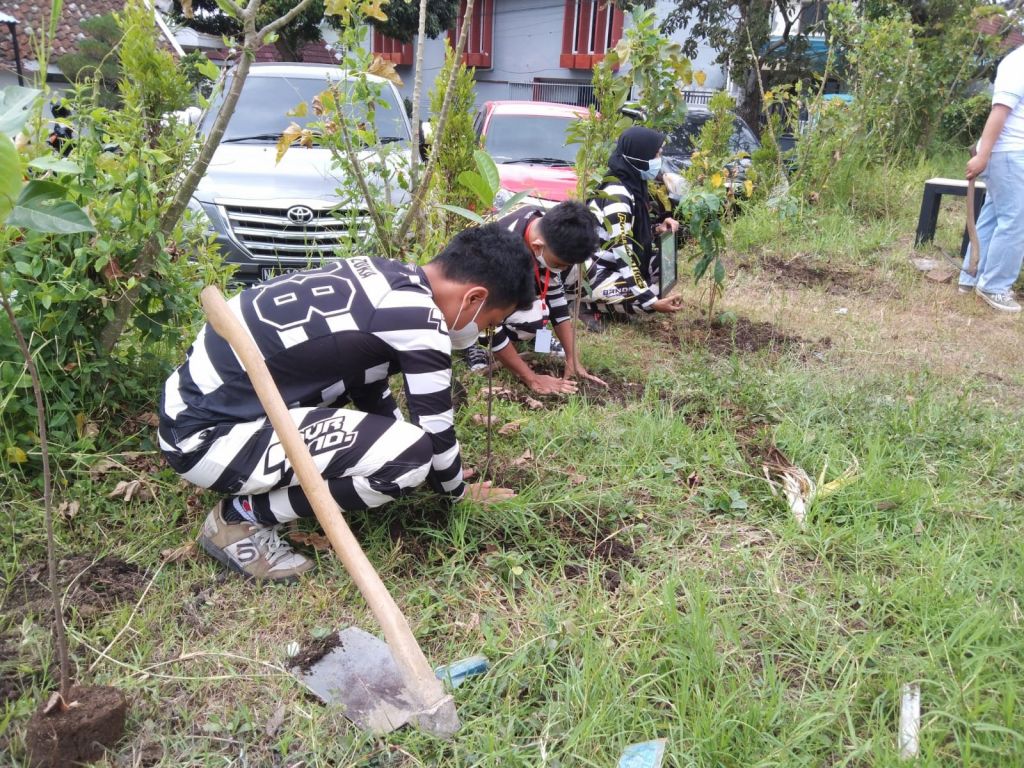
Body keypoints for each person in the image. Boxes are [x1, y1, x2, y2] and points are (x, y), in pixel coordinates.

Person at [158, 225, 535, 583]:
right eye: (490, 322)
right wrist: (457, 491)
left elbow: (365, 383)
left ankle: (254, 494)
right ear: (474, 297)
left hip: (188, 416)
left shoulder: (378, 272)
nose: (480, 333)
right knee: (411, 458)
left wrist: (425, 461)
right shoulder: (421, 320)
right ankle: (241, 516)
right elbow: (435, 432)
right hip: (208, 442)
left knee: (407, 449)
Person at [464, 201, 606, 394]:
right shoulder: (501, 254)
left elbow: (555, 298)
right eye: (559, 264)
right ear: (537, 246)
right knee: (530, 320)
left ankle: (535, 339)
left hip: (513, 279)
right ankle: (472, 342)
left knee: (576, 278)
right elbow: (487, 318)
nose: (562, 270)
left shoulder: (546, 227)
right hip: (467, 301)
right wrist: (532, 379)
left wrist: (572, 357)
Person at [564, 126, 683, 319]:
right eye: (655, 155)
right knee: (650, 298)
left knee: (665, 269)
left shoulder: (632, 185)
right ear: (639, 157)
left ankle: (609, 302)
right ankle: (582, 304)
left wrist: (657, 229)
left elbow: (629, 230)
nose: (658, 161)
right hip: (595, 269)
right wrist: (650, 301)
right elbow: (623, 253)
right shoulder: (617, 194)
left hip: (611, 263)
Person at [960, 44, 1024, 313]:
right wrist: (983, 155)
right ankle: (994, 287)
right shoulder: (1019, 62)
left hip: (1010, 153)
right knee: (1015, 221)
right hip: (1012, 152)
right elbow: (1000, 110)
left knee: (994, 217)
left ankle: (971, 277)